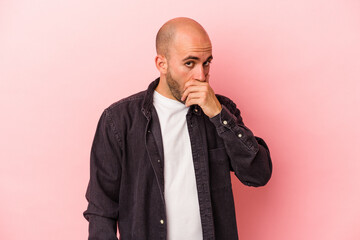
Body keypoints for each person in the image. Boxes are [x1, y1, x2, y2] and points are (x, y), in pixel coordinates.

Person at [83, 17, 272, 240]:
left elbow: (258, 174)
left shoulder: (222, 111)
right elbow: (101, 210)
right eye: (190, 63)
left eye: (207, 62)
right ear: (161, 64)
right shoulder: (119, 120)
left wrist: (218, 115)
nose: (201, 76)